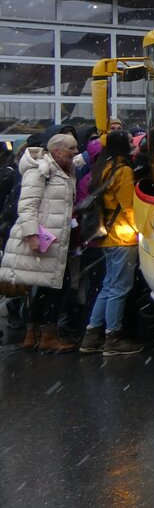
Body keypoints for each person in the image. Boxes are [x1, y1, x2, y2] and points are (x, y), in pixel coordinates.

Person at [0, 133, 81, 353]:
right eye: (71, 149)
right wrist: (32, 235)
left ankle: (32, 334)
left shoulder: (62, 168)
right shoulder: (40, 170)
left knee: (46, 286)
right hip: (46, 240)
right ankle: (48, 336)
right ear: (56, 152)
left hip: (55, 238)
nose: (76, 152)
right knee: (55, 287)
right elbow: (27, 206)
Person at [78, 130, 143, 357]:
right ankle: (113, 337)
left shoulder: (102, 167)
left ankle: (92, 334)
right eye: (129, 143)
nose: (132, 146)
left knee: (108, 285)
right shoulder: (123, 170)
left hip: (105, 235)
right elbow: (128, 206)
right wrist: (140, 231)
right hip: (123, 236)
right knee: (120, 288)